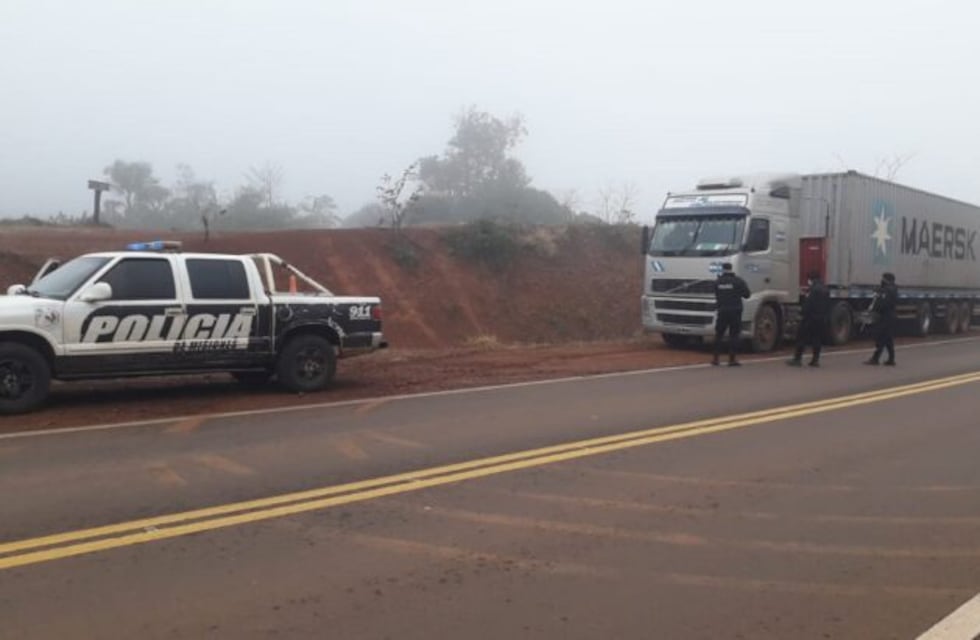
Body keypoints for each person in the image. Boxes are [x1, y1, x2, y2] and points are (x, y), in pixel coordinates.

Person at [788, 271, 830, 367]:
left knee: (801, 338)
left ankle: (797, 359)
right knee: (817, 339)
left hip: (810, 318)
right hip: (821, 318)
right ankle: (815, 360)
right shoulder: (825, 289)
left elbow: (808, 304)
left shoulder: (813, 289)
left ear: (811, 279)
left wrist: (802, 313)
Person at [712, 263, 751, 366]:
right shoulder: (738, 281)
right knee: (734, 335)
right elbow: (747, 295)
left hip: (722, 311)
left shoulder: (717, 282)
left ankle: (716, 359)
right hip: (735, 311)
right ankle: (732, 359)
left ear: (722, 269)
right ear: (731, 269)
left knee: (719, 335)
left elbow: (716, 294)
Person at [865, 272, 898, 366]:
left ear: (887, 280)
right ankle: (891, 359)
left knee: (881, 337)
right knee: (888, 339)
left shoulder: (888, 291)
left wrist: (876, 306)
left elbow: (883, 303)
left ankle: (875, 358)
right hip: (890, 316)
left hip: (886, 317)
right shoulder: (893, 289)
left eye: (883, 279)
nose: (882, 280)